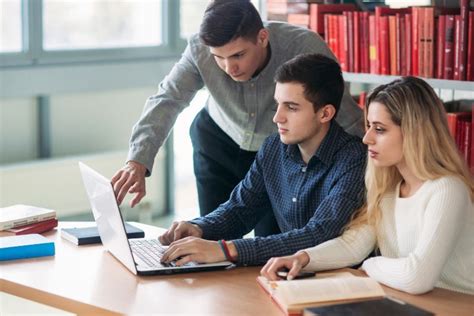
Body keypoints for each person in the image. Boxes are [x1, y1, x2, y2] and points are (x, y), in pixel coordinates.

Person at [111, 0, 363, 237]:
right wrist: (138, 160)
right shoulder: (199, 49)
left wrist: (376, 166)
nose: (229, 68)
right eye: (218, 58)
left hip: (275, 154)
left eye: (238, 55)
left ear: (262, 38)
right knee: (208, 232)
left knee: (272, 242)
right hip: (217, 142)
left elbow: (343, 112)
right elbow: (168, 98)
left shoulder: (304, 48)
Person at [260, 76, 474, 295]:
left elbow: (416, 278)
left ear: (414, 133)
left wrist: (370, 264)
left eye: (380, 129)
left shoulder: (447, 190)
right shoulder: (389, 189)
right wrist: (302, 258)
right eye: (369, 126)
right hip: (415, 304)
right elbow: (353, 245)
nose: (367, 138)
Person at [157, 53, 366, 267]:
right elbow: (240, 210)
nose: (277, 117)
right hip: (289, 276)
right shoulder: (274, 147)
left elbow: (317, 236)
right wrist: (199, 228)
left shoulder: (354, 160)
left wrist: (226, 250)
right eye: (278, 105)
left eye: (291, 107)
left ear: (325, 114)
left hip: (339, 280)